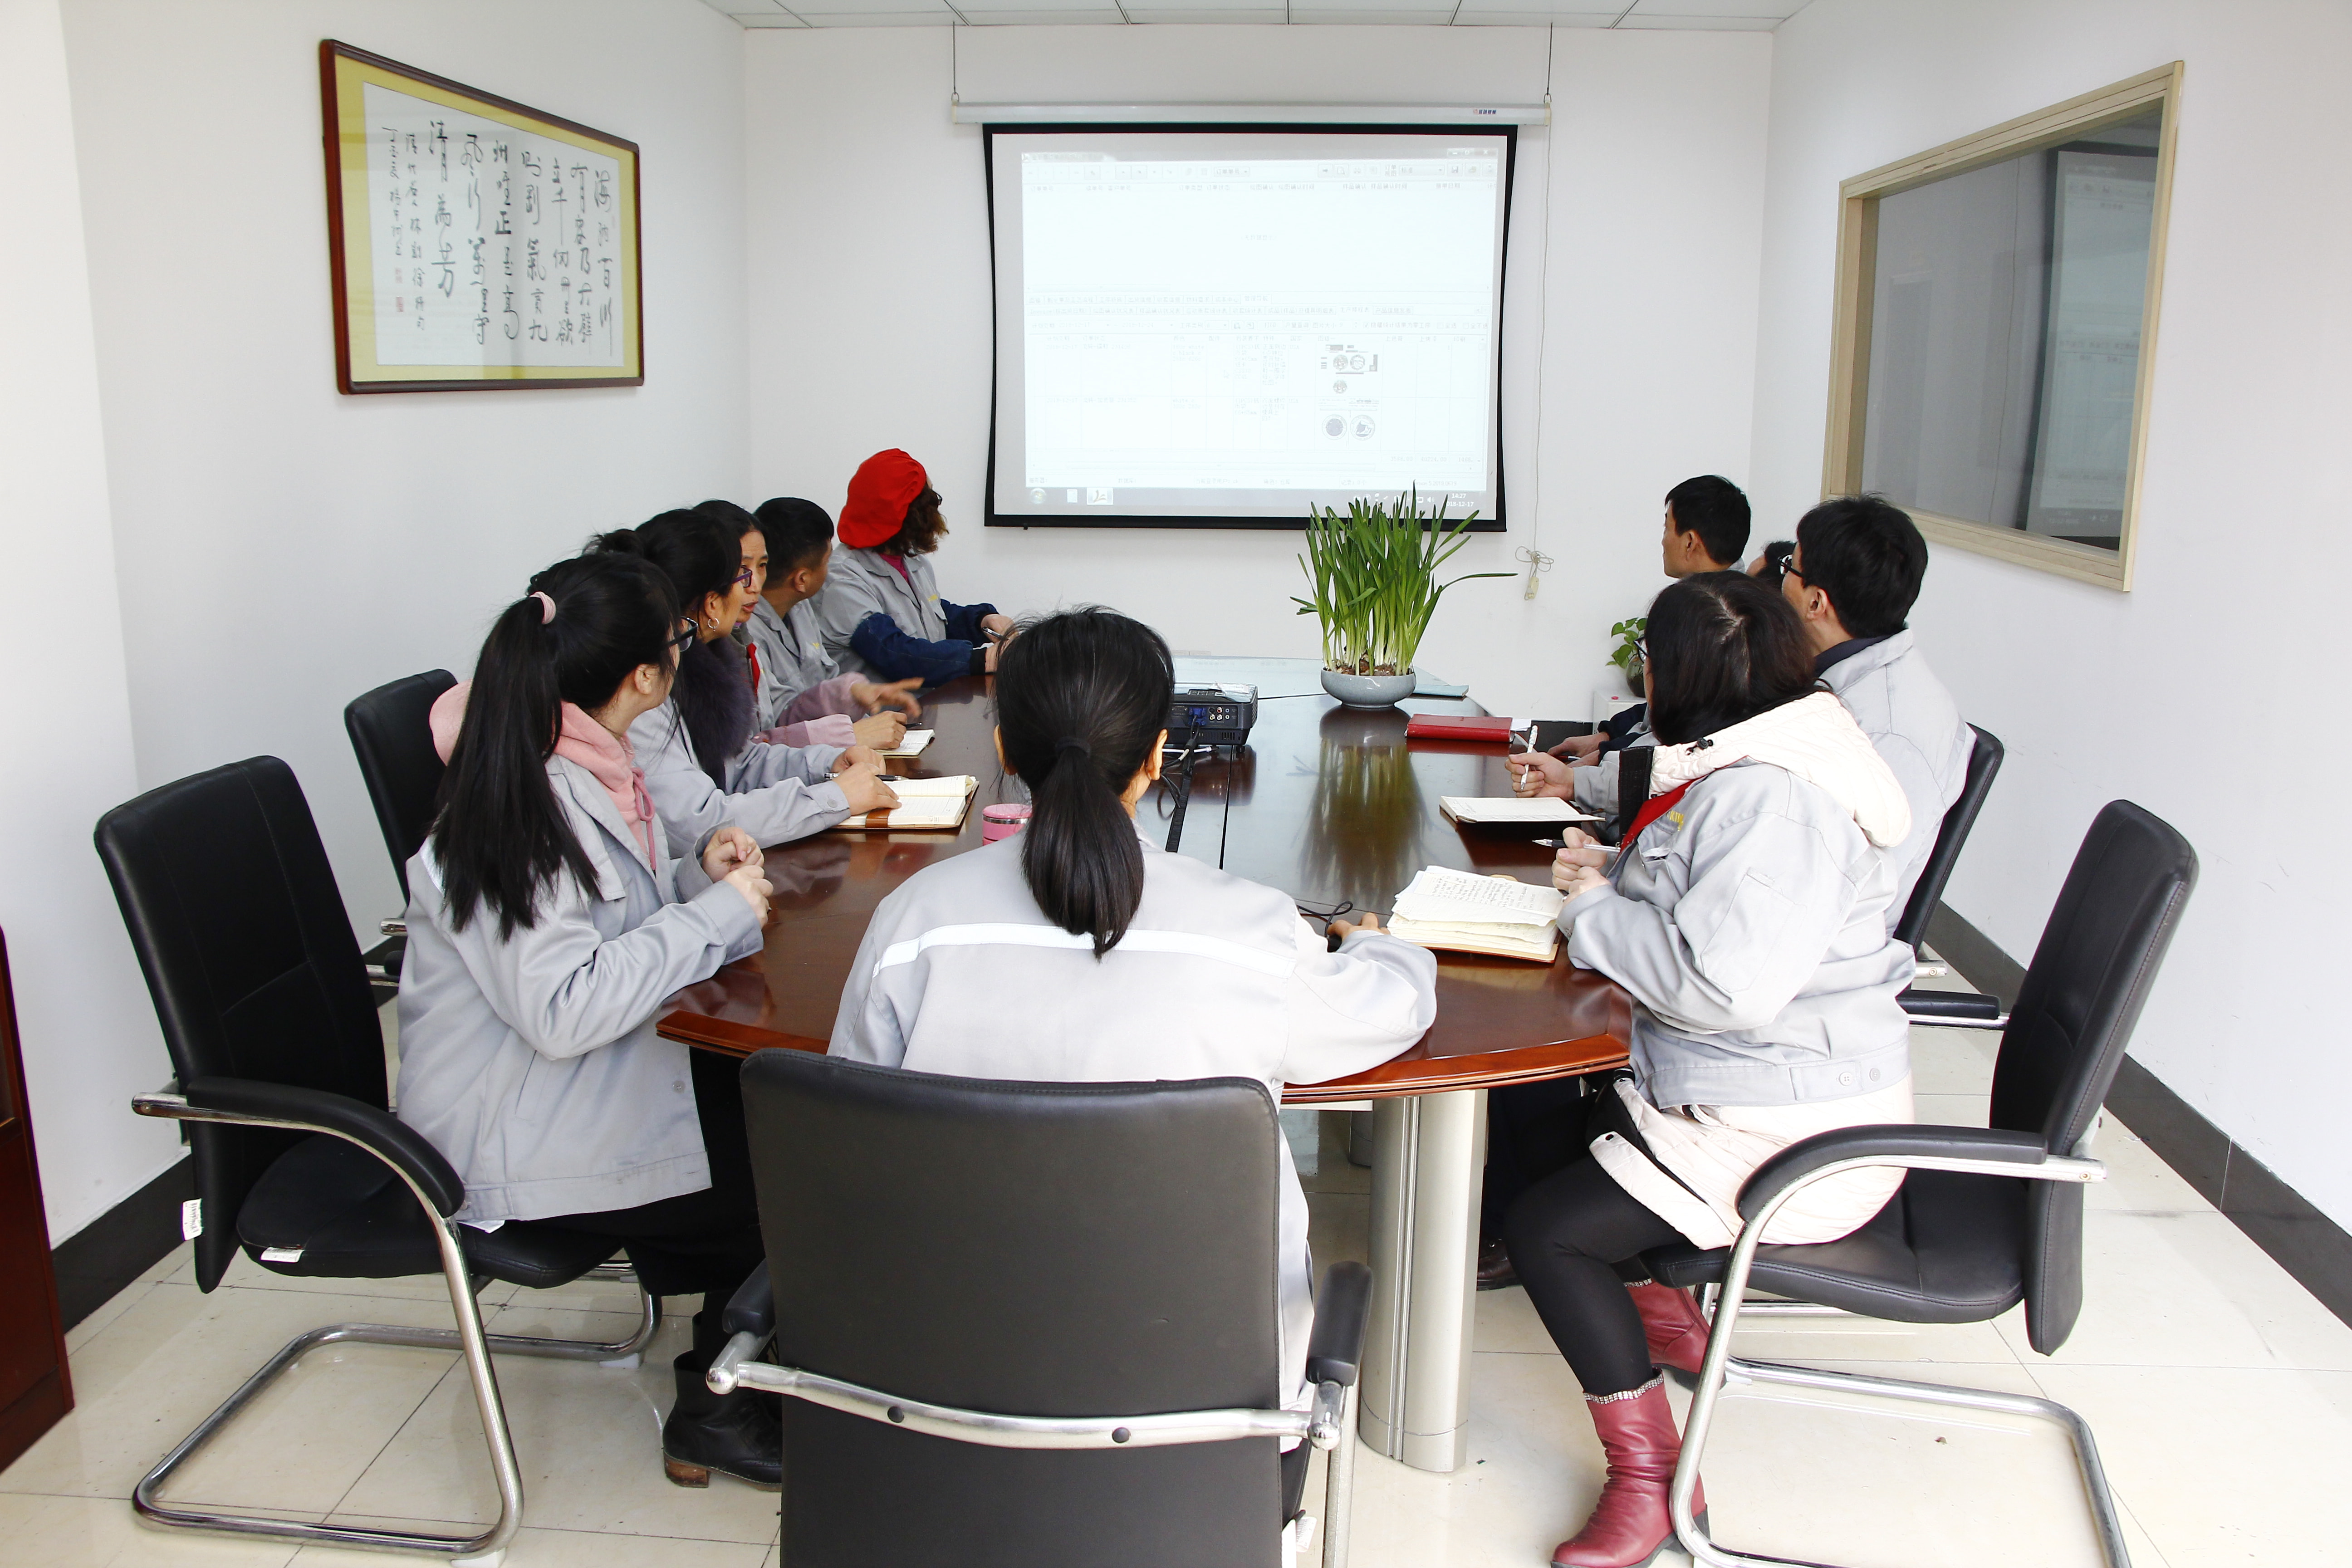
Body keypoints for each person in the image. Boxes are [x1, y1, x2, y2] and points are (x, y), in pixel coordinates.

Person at [829, 607, 1438, 1519]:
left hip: (939, 1393)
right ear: (1160, 756)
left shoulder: (914, 923)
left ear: (1004, 747)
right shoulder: (1254, 933)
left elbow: (854, 1138)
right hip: (1205, 1418)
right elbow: (1394, 1012)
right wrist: (1381, 945)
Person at [1502, 573, 1916, 1568]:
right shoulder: (1752, 751)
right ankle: (1670, 1321)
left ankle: (1653, 1484)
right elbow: (1696, 899)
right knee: (1521, 1113)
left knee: (1546, 1234)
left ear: (1675, 674)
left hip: (1788, 1128)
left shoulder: (1779, 798)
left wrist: (1593, 913)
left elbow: (1725, 987)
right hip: (1731, 1079)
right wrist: (1607, 879)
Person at [395, 551, 784, 1490]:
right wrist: (713, 915)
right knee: (787, 1177)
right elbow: (565, 1009)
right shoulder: (521, 809)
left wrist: (697, 882)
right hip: (513, 1129)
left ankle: (742, 1375)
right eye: (678, 643)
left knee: (781, 1123)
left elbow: (601, 925)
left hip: (570, 1083)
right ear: (646, 677)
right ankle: (718, 1414)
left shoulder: (584, 765)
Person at [590, 510, 902, 853]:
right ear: (712, 602)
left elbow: (737, 765)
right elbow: (695, 823)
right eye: (742, 576)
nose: (754, 587)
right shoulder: (645, 688)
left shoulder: (705, 661)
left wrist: (825, 763)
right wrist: (830, 798)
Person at [1771, 495, 1973, 930]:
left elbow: (1848, 892)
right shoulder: (1835, 674)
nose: (1781, 579)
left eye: (1790, 566)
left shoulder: (1889, 730)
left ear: (1815, 603)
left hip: (1815, 952)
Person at [1510, 475, 1752, 821]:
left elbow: (1677, 742)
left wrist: (1582, 776)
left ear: (1689, 542)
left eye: (1667, 527)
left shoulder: (1718, 622)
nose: (1662, 540)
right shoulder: (1733, 604)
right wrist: (1606, 738)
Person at [695, 496, 922, 748]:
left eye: (762, 566)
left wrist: (852, 694)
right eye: (743, 571)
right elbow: (762, 740)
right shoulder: (737, 635)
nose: (756, 585)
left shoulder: (797, 609)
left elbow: (794, 705)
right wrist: (848, 735)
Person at [813, 449, 1014, 685]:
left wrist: (983, 620)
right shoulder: (843, 580)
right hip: (878, 717)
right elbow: (893, 653)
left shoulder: (912, 561)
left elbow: (934, 617)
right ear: (911, 516)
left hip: (926, 706)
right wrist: (985, 659)